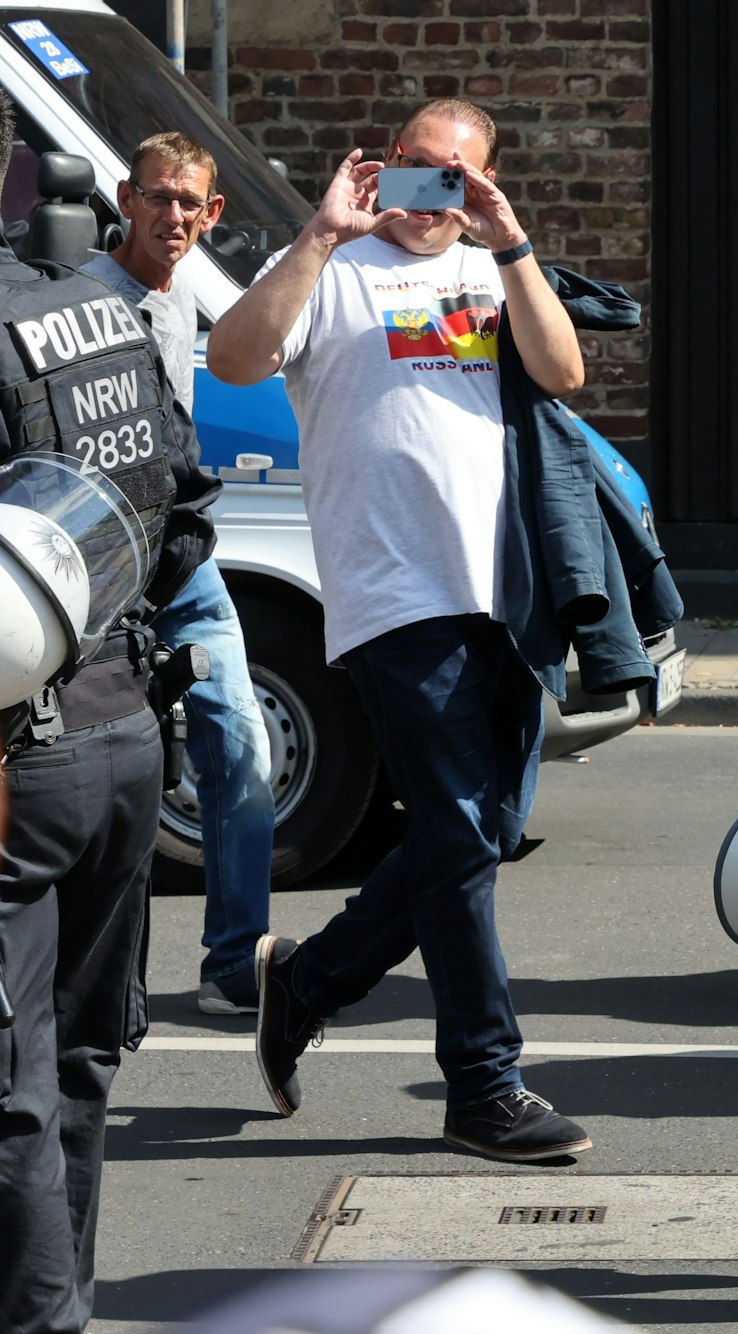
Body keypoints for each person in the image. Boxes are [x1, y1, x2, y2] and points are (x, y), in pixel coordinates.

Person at [205, 98, 592, 1162]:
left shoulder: (488, 268)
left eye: (455, 177)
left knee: (474, 833)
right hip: (392, 593)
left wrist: (508, 242)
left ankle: (310, 981)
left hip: (506, 596)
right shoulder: (331, 271)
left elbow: (563, 372)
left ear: (482, 184)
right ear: (381, 166)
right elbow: (235, 358)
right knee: (462, 835)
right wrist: (320, 231)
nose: (431, 195)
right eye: (416, 169)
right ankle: (483, 1081)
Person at [0, 91, 220, 1328]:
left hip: (18, 755)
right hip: (129, 725)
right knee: (78, 1062)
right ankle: (62, 1300)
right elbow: (185, 515)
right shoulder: (104, 304)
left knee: (14, 1087)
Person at [85, 131, 277, 1019]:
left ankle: (235, 961)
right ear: (127, 197)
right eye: (157, 197)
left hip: (183, 568)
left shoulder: (185, 299)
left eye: (188, 203)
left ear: (212, 214)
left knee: (241, 753)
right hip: (97, 576)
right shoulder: (81, 297)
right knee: (95, 779)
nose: (172, 216)